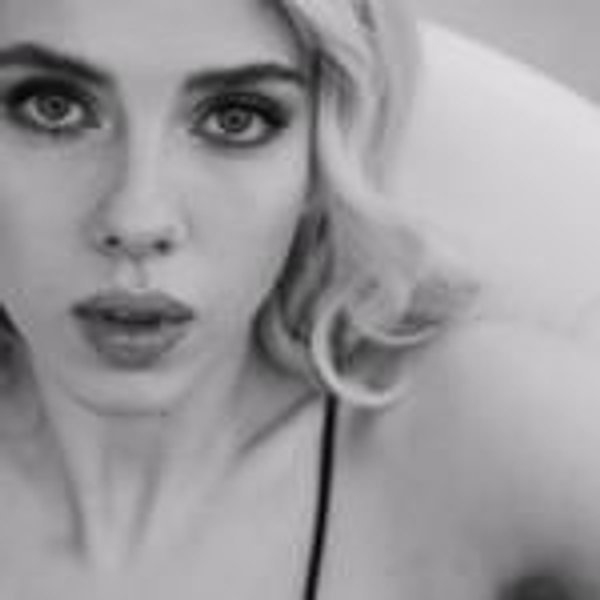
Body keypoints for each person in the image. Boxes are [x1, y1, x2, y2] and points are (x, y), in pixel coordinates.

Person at [0, 0, 599, 598]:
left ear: (321, 156)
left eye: (235, 120)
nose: (138, 220)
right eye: (52, 108)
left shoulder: (476, 428)